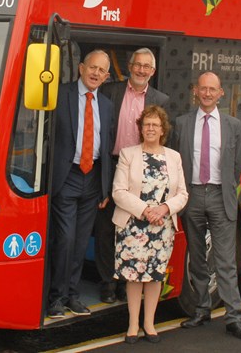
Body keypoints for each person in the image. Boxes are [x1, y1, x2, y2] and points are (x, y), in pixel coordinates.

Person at [175, 72, 241, 340]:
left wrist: (226, 189)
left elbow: (236, 165)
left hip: (221, 196)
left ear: (221, 93)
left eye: (213, 89)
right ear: (195, 91)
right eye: (203, 89)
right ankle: (201, 309)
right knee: (196, 257)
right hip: (192, 195)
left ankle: (234, 317)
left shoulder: (233, 125)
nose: (207, 93)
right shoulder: (182, 124)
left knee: (225, 261)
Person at [96, 48, 170, 303]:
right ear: (129, 66)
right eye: (137, 64)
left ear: (153, 71)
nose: (141, 70)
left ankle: (126, 283)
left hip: (143, 169)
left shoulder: (161, 100)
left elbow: (166, 140)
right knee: (107, 229)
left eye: (146, 66)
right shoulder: (109, 91)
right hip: (111, 164)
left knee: (132, 229)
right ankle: (107, 283)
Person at [47, 50, 114, 319]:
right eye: (92, 68)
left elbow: (107, 147)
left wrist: (105, 187)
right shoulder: (60, 95)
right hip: (67, 176)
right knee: (65, 239)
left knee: (80, 241)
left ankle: (72, 296)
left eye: (102, 71)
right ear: (81, 68)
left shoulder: (107, 105)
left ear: (107, 76)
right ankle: (55, 298)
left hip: (93, 179)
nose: (96, 73)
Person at [112, 105, 188, 343]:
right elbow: (118, 192)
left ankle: (149, 323)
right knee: (134, 276)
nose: (151, 128)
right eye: (147, 124)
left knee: (155, 276)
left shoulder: (174, 157)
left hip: (162, 227)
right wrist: (145, 210)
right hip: (133, 225)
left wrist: (164, 209)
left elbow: (183, 194)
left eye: (155, 124)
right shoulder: (128, 154)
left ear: (163, 129)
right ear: (141, 128)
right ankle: (133, 325)